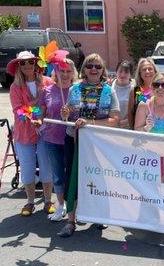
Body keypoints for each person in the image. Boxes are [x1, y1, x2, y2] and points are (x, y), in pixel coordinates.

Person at [58, 53, 120, 238]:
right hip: (74, 140)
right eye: (90, 66)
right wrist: (65, 114)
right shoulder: (74, 89)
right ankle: (70, 221)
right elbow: (68, 116)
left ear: (102, 71)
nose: (94, 69)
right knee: (72, 178)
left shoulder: (110, 91)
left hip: (99, 143)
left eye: (98, 67)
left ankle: (98, 215)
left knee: (98, 179)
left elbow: (114, 120)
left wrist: (90, 123)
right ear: (84, 69)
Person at [7, 51, 54, 217]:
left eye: (30, 62)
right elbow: (18, 111)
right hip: (24, 134)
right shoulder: (15, 87)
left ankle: (48, 200)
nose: (27, 66)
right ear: (18, 66)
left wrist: (37, 110)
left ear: (35, 64)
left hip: (46, 132)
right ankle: (30, 201)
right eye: (23, 63)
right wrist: (36, 106)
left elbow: (50, 105)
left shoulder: (48, 82)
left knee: (46, 167)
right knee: (27, 169)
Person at [37, 58, 79, 221]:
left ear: (73, 73)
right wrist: (35, 118)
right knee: (58, 175)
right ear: (56, 71)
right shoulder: (47, 90)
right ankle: (60, 206)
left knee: (73, 174)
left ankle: (74, 207)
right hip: (52, 139)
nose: (65, 74)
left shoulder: (77, 90)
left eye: (69, 71)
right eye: (62, 71)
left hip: (73, 139)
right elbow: (38, 110)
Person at [127, 58, 157, 129]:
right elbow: (130, 114)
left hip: (158, 131)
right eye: (144, 69)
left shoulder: (160, 89)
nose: (147, 71)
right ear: (140, 73)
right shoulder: (135, 91)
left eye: (150, 69)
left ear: (155, 71)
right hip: (140, 133)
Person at [112, 60, 135, 129]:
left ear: (131, 74)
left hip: (127, 128)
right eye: (120, 71)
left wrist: (126, 121)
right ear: (116, 72)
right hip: (111, 127)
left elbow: (137, 112)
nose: (122, 74)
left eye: (126, 72)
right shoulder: (109, 88)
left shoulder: (135, 90)